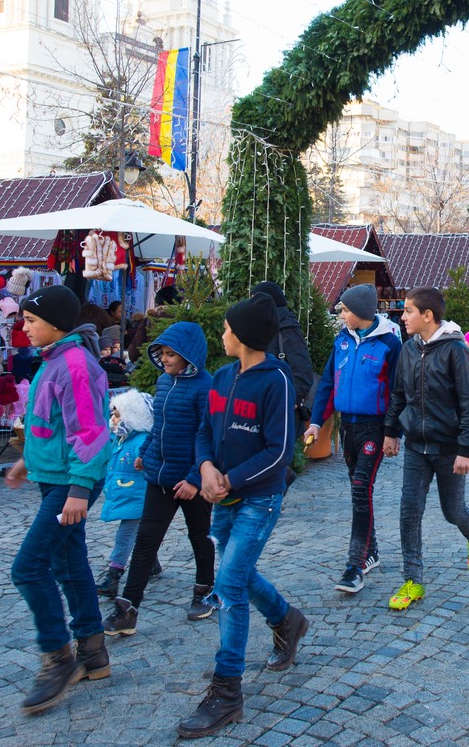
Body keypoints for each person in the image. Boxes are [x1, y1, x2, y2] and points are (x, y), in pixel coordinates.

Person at [175, 294, 307, 740]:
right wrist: (207, 468)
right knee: (240, 573)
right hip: (223, 497)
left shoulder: (277, 381)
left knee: (228, 582)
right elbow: (203, 431)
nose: (223, 334)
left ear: (246, 336)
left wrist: (229, 479)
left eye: (229, 328)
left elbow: (280, 452)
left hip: (258, 500)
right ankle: (286, 619)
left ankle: (227, 691)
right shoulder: (222, 376)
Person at [4, 284, 112, 715]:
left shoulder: (74, 366)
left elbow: (90, 431)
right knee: (67, 563)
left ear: (56, 324)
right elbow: (52, 425)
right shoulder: (53, 362)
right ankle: (93, 653)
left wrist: (80, 490)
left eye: (30, 320)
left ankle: (58, 657)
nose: (24, 327)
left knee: (28, 568)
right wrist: (26, 462)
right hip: (55, 478)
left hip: (72, 482)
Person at [381, 287, 469, 612]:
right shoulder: (408, 349)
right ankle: (413, 580)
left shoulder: (456, 351)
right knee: (409, 510)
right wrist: (391, 432)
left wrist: (467, 449)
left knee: (452, 511)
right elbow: (399, 394)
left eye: (409, 311)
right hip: (415, 445)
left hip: (449, 447)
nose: (403, 316)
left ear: (427, 316)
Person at [106, 323, 216, 636]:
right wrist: (146, 452)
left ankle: (204, 592)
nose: (165, 359)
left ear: (188, 356)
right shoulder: (164, 382)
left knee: (200, 537)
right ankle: (128, 607)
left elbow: (206, 434)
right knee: (145, 542)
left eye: (171, 354)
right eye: (163, 354)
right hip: (159, 476)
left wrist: (195, 478)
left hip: (190, 481)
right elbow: (159, 426)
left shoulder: (205, 386)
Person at [305, 283, 402, 595]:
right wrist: (317, 423)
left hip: (374, 428)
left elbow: (398, 393)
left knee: (362, 487)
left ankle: (354, 566)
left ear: (360, 312)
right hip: (347, 428)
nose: (341, 314)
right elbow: (328, 384)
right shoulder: (342, 341)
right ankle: (370, 550)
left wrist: (392, 432)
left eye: (344, 309)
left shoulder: (389, 343)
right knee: (359, 490)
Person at [93, 390, 153, 601]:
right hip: (127, 495)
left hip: (139, 497)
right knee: (141, 534)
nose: (113, 419)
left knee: (125, 535)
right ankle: (152, 562)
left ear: (133, 416)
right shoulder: (119, 439)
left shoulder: (142, 442)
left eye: (117, 415)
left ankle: (114, 575)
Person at [251, 281, 315, 423]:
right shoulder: (262, 325)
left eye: (255, 299)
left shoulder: (286, 326)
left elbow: (302, 366)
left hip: (281, 403)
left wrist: (293, 399)